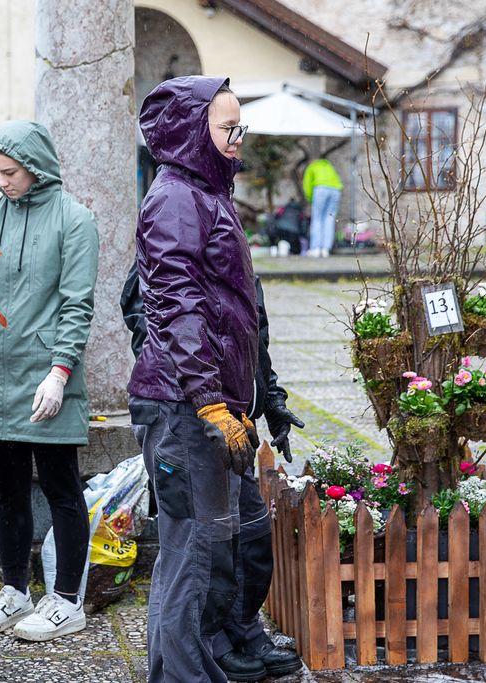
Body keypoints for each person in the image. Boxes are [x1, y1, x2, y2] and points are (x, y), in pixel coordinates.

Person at [128, 75, 259, 683]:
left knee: (201, 551)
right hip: (182, 406)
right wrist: (209, 402)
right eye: (228, 127)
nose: (238, 140)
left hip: (201, 401)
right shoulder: (176, 196)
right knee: (190, 556)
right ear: (190, 132)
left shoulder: (207, 193)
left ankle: (188, 670)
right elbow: (176, 302)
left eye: (241, 127)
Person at [123, 266, 304, 681]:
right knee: (199, 550)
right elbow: (155, 322)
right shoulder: (178, 219)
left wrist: (269, 397)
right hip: (191, 412)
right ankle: (209, 649)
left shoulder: (224, 228)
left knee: (249, 533)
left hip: (233, 414)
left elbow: (252, 334)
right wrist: (192, 395)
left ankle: (241, 632)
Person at [0, 121, 99, 642]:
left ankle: (67, 601)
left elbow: (77, 303)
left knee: (63, 484)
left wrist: (61, 372)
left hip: (47, 374)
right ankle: (16, 591)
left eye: (11, 172)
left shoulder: (75, 220)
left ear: (36, 166)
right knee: (9, 487)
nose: (3, 182)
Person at [302, 157, 343, 258]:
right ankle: (326, 249)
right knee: (330, 219)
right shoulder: (328, 165)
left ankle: (316, 248)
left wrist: (310, 198)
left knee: (317, 219)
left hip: (320, 189)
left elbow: (306, 185)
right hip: (335, 190)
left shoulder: (311, 167)